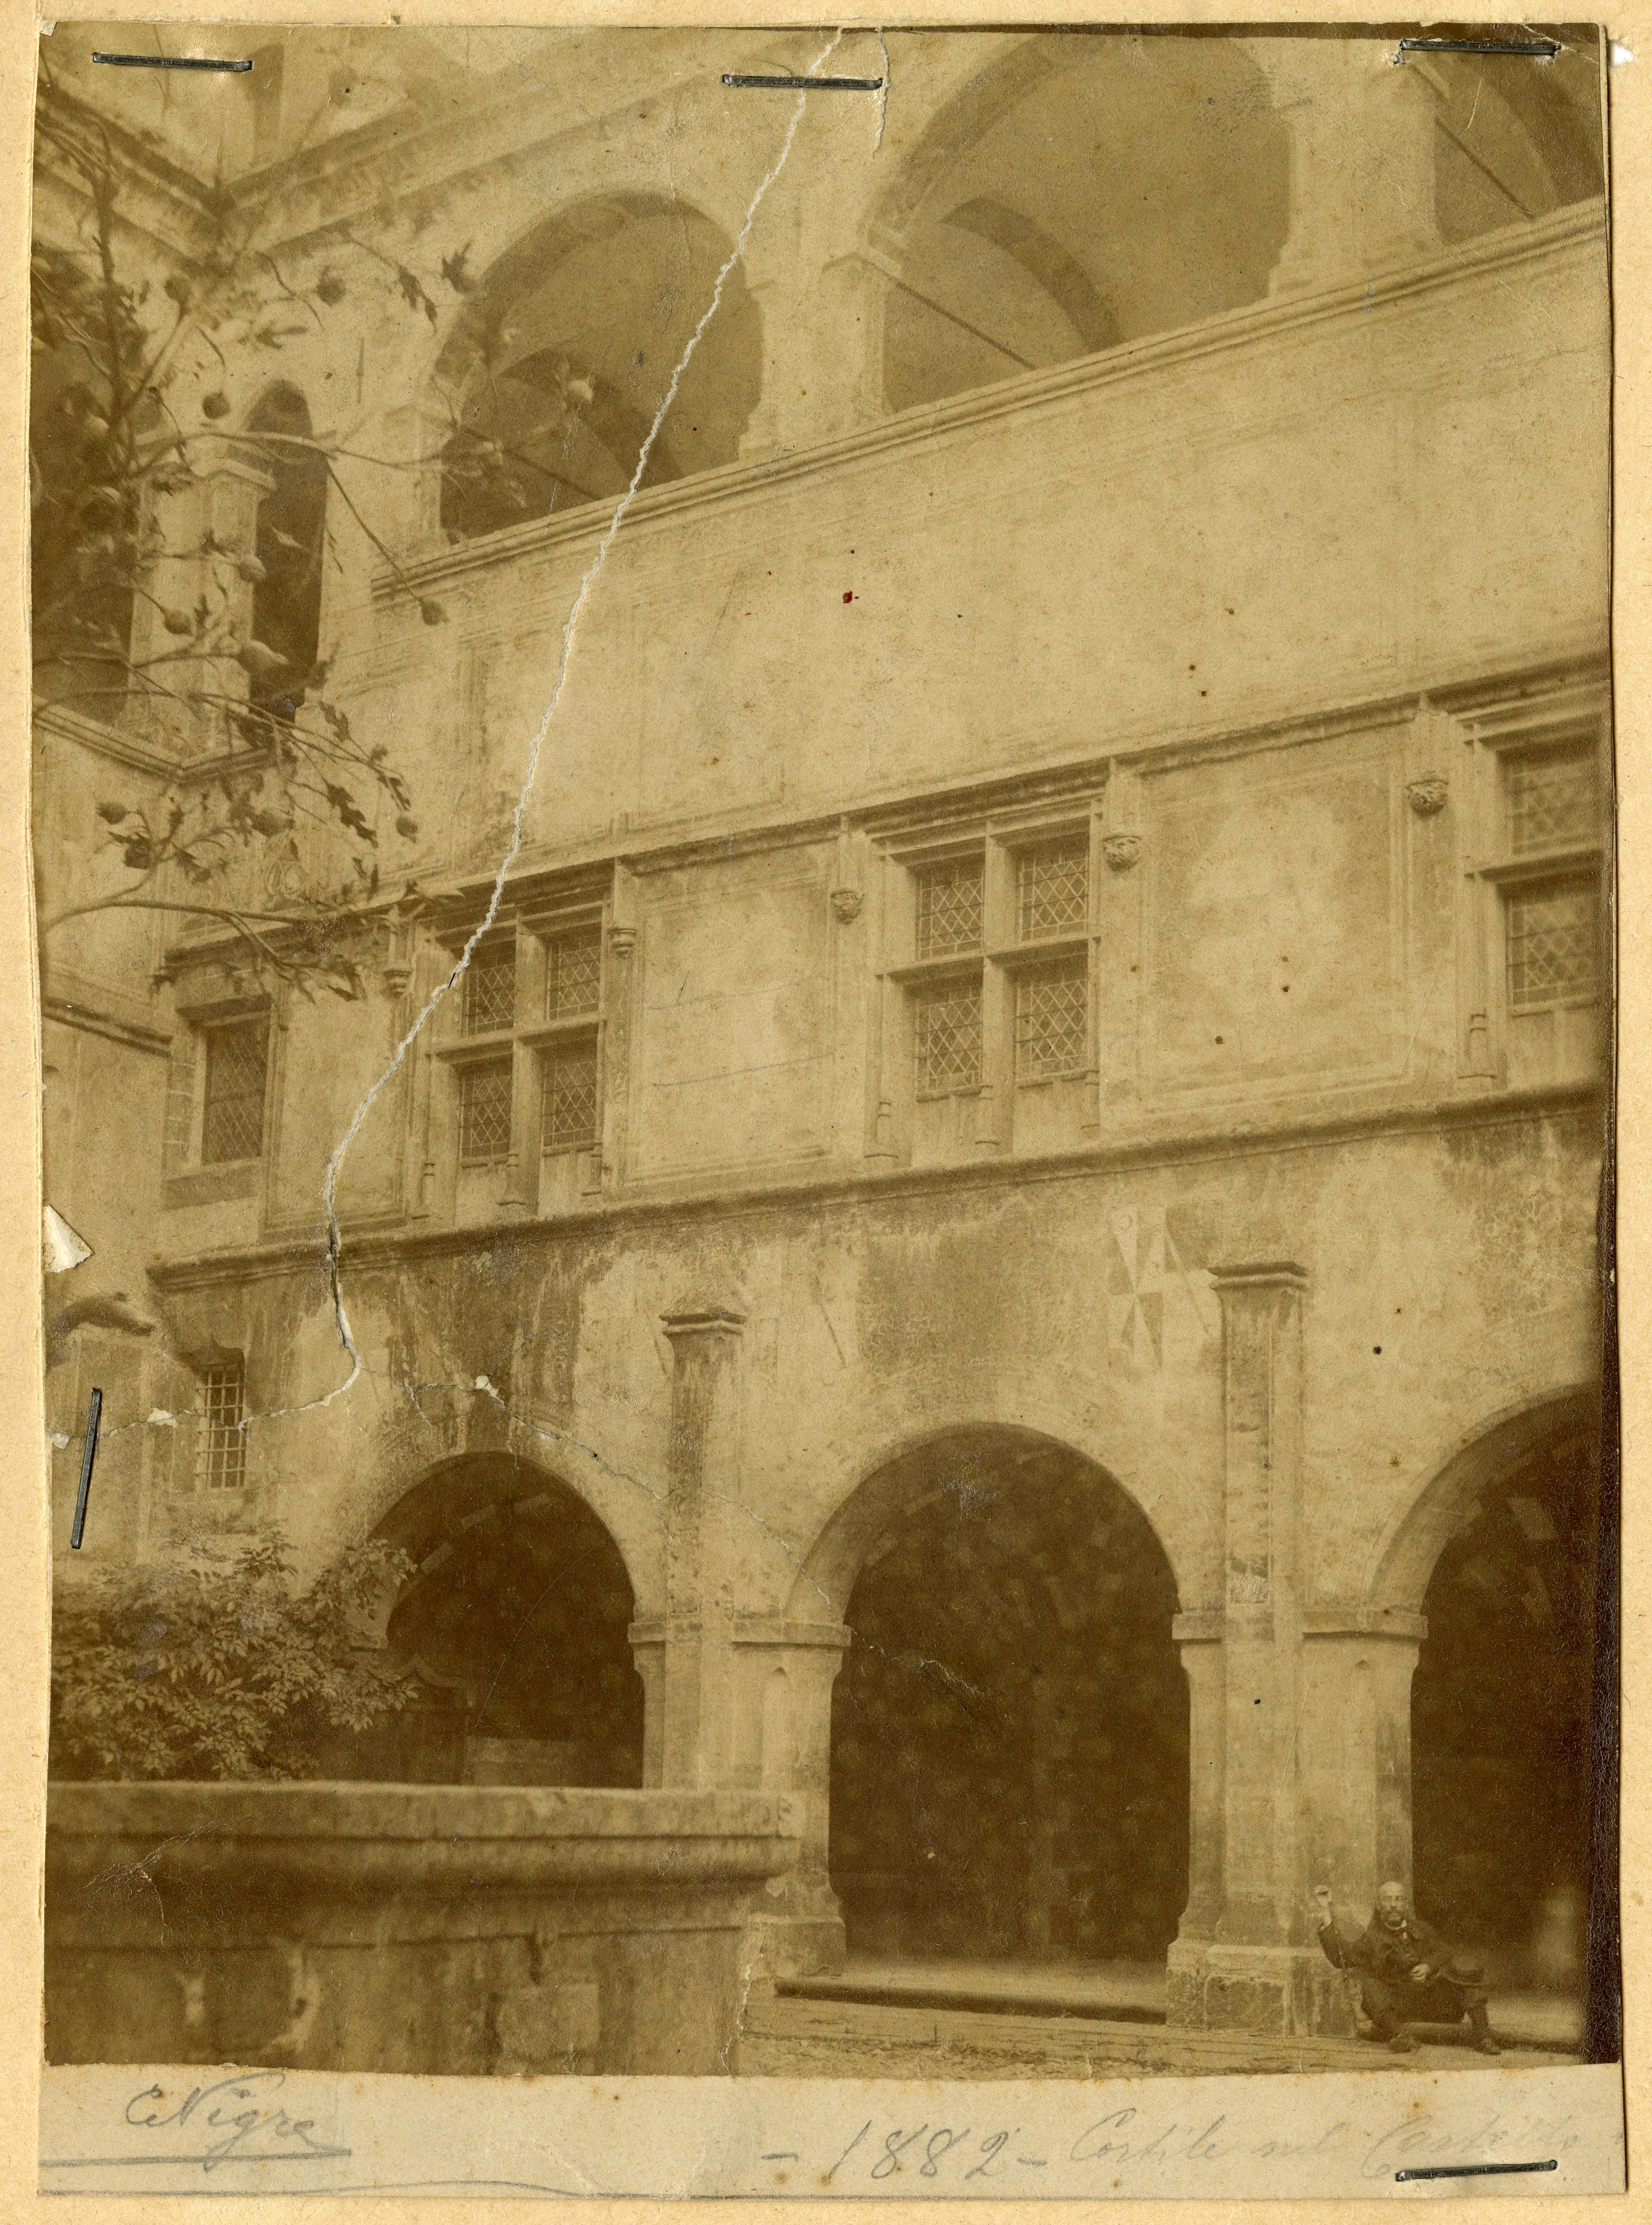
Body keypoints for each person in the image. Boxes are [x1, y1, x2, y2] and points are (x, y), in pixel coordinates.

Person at [1313, 1881, 1501, 2055]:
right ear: (1379, 1905)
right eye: (1387, 1900)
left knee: (1464, 1970)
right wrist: (1326, 1911)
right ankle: (1403, 2037)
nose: (1393, 1905)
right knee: (1369, 1984)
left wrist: (1428, 1966)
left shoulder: (1423, 1929)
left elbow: (1445, 1952)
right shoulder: (1371, 1939)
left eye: (1398, 1899)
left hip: (1436, 2006)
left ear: (1406, 1904)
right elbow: (1341, 1958)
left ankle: (1483, 2037)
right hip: (1400, 2011)